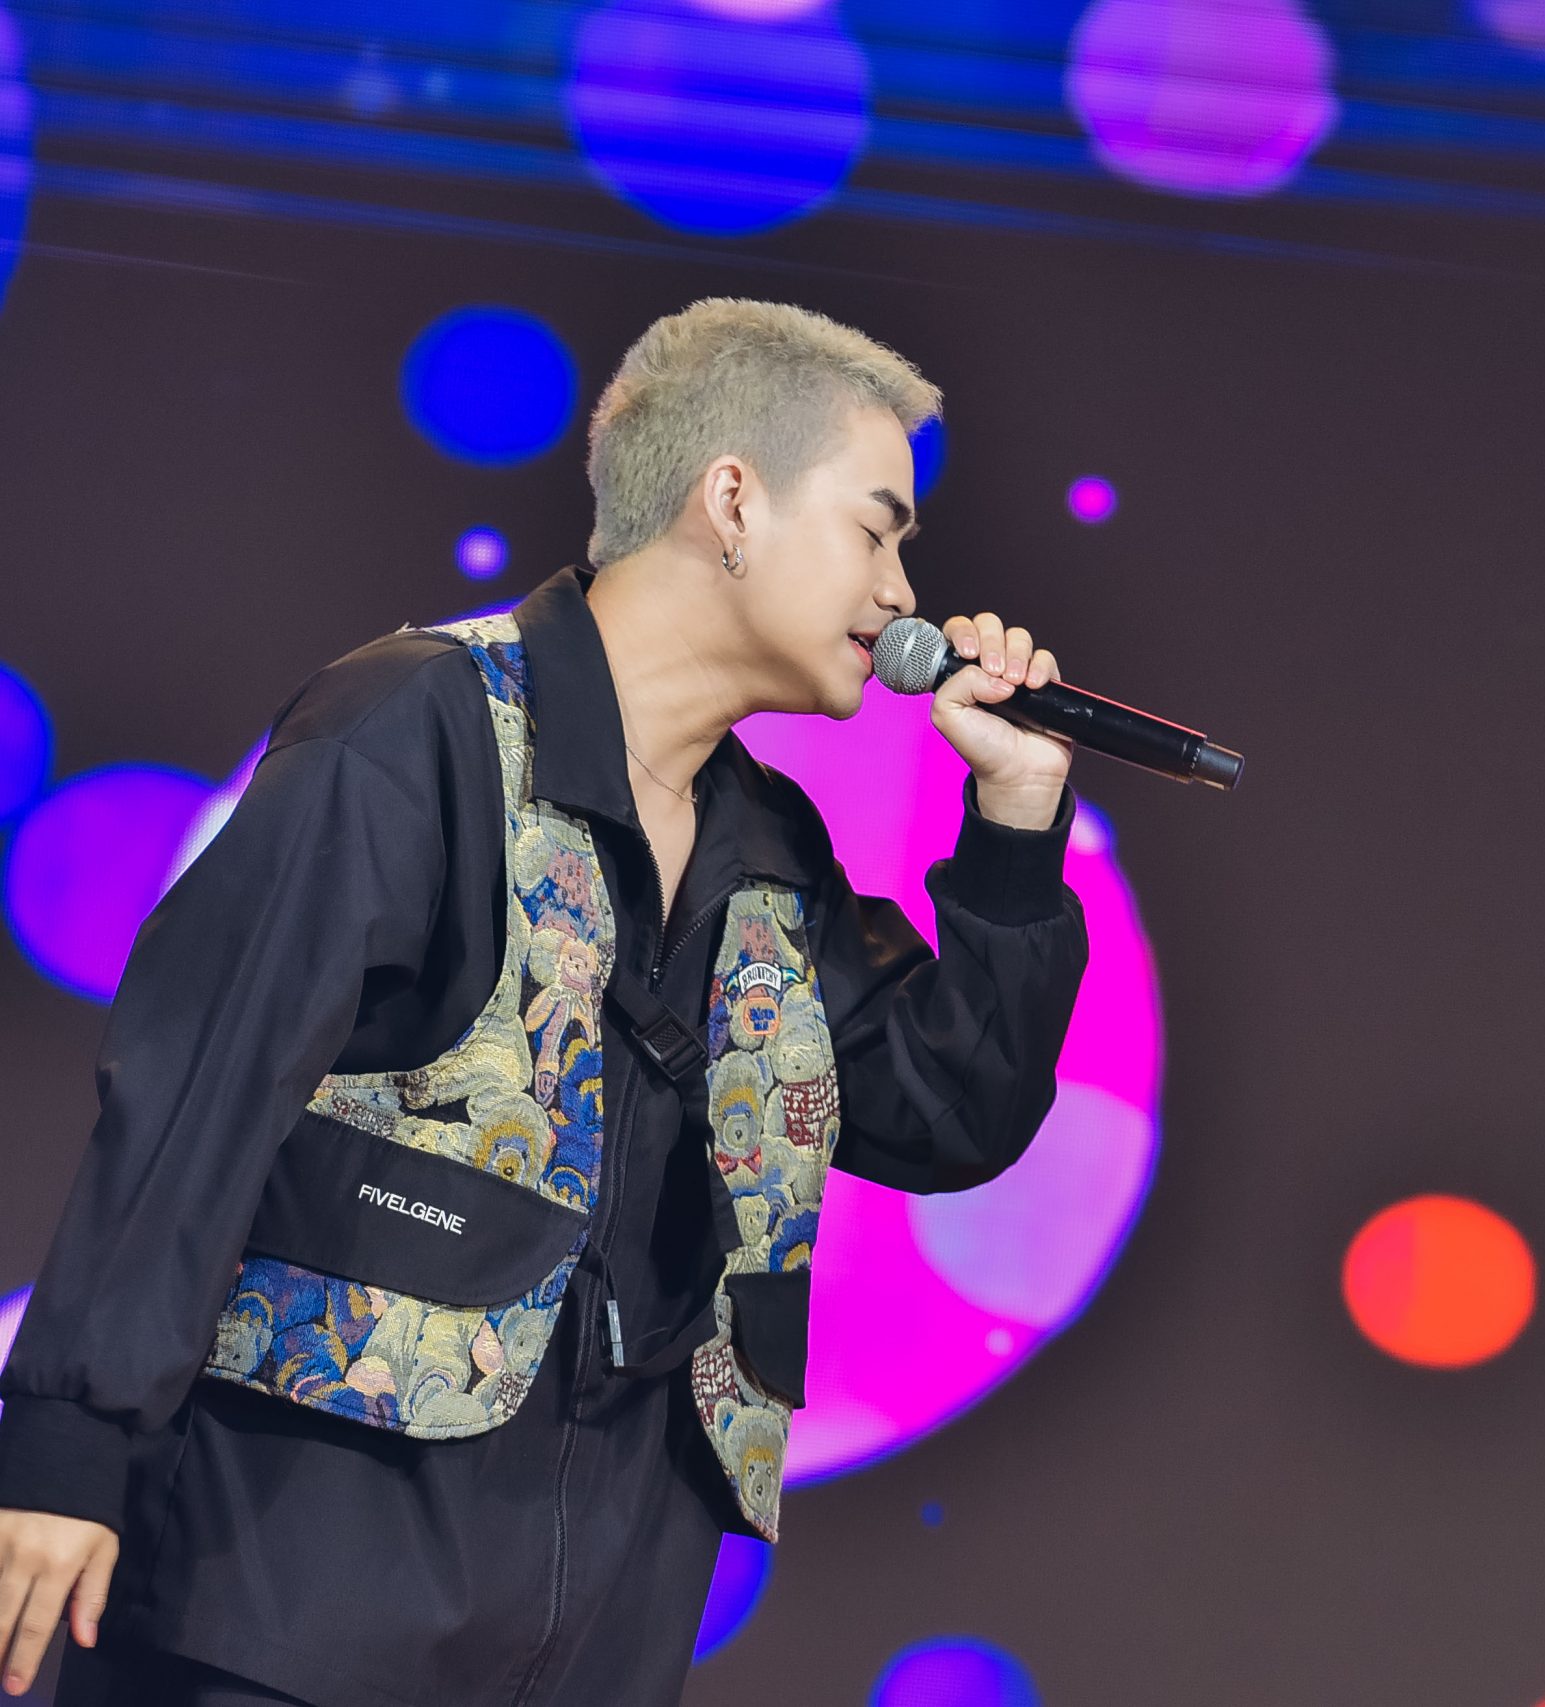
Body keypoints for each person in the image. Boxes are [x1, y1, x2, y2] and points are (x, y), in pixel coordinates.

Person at [0, 299, 1090, 1705]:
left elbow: (949, 1111)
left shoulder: (770, 851)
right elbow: (202, 1089)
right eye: (877, 533)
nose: (901, 595)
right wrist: (71, 1444)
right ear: (733, 500)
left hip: (585, 1649)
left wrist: (1017, 820)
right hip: (283, 1616)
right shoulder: (417, 728)